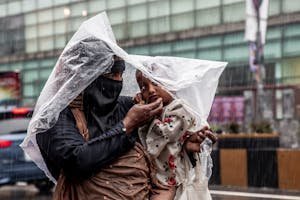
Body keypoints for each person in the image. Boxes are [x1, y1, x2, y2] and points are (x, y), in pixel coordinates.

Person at [136, 70, 215, 199]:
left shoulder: (180, 109)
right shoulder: (154, 111)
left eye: (156, 83)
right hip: (151, 175)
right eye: (143, 87)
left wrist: (146, 115)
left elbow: (164, 133)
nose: (150, 90)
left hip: (168, 179)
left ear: (170, 84)